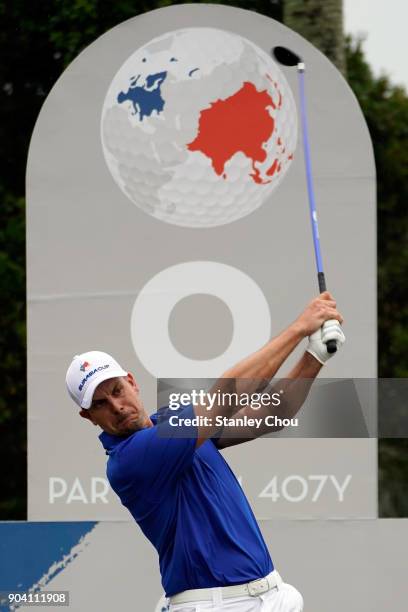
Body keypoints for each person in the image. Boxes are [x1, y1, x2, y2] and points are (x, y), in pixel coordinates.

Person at [65, 292, 345, 611]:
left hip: (270, 595)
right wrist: (299, 328)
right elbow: (227, 393)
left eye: (117, 390)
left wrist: (315, 356)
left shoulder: (169, 423)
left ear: (132, 382)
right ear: (88, 417)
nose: (116, 406)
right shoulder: (129, 460)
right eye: (100, 404)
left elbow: (272, 412)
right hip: (220, 605)